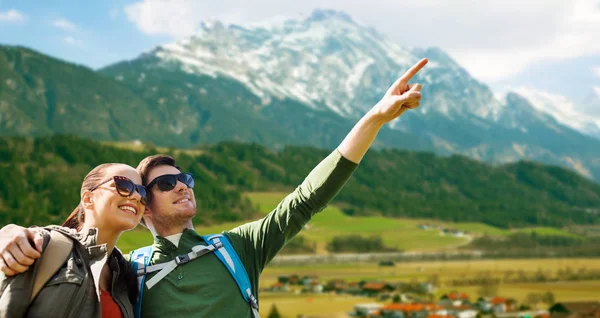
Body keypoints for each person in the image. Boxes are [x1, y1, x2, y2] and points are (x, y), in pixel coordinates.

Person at [0, 58, 428, 317]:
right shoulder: (127, 271)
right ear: (145, 207)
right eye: (166, 184)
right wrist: (11, 233)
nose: (182, 187)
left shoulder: (238, 248)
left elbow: (307, 198)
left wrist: (374, 117)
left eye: (185, 179)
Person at [0, 163, 147, 317]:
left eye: (142, 192)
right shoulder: (41, 244)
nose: (136, 196)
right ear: (88, 198)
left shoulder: (128, 277)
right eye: (123, 185)